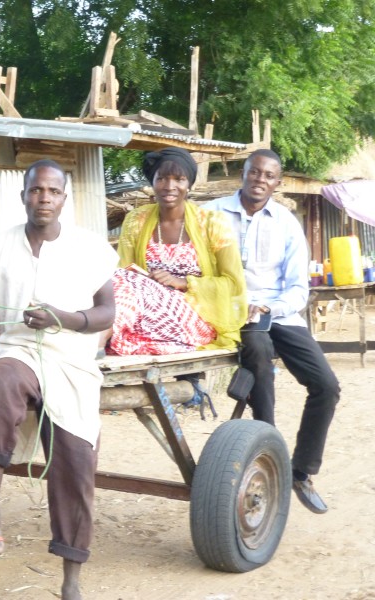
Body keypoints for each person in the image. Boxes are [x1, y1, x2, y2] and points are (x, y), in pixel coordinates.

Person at [0, 159, 116, 600]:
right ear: (23, 194)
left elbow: (107, 312)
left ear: (64, 198)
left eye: (52, 192)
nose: (43, 198)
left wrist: (63, 319)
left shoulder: (90, 248)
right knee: (1, 382)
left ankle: (71, 580)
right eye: (35, 190)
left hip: (72, 358)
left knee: (76, 461)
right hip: (18, 350)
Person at [204, 148, 340, 514]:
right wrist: (235, 304)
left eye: (268, 175)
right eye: (254, 172)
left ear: (277, 183)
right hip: (232, 313)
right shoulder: (211, 213)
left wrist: (269, 307)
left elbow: (298, 288)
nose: (260, 180)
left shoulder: (285, 222)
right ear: (243, 174)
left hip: (280, 313)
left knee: (326, 386)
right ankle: (269, 447)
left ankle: (300, 472)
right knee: (259, 353)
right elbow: (200, 267)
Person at [109, 147, 247, 355]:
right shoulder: (137, 220)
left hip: (195, 315)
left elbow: (233, 284)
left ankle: (94, 346)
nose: (169, 186)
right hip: (143, 311)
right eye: (162, 178)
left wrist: (184, 282)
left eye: (178, 179)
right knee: (116, 277)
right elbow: (125, 273)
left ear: (189, 184)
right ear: (153, 183)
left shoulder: (212, 223)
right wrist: (149, 286)